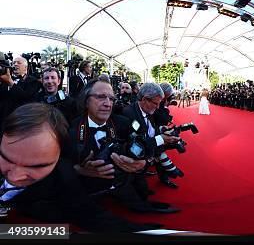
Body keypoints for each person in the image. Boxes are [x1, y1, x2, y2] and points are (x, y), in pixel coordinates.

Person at [0, 103, 158, 232]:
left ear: (57, 155)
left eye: (37, 165)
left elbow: (92, 215)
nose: (15, 176)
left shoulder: (64, 175)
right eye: (7, 158)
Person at [67, 79, 180, 214]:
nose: (107, 104)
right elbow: (59, 165)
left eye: (111, 98)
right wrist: (78, 169)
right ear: (86, 100)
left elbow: (140, 144)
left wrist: (142, 163)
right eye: (101, 97)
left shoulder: (122, 123)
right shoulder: (71, 129)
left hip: (123, 184)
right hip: (86, 199)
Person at [0, 55, 42, 131]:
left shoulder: (33, 81)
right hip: (3, 121)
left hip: (20, 122)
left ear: (26, 67)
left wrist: (11, 83)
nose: (15, 64)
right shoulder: (5, 79)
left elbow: (26, 98)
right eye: (13, 63)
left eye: (18, 63)